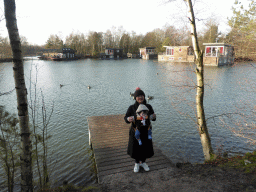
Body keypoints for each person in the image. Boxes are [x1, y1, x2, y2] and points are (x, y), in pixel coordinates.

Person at [124, 87, 156, 173]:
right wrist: (128, 119)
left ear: (144, 96)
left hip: (146, 131)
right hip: (135, 132)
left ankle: (143, 162)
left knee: (145, 147)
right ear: (135, 97)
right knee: (136, 148)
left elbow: (153, 117)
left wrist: (153, 116)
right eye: (138, 96)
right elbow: (125, 118)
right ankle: (137, 163)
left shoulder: (148, 106)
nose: (140, 97)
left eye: (141, 95)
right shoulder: (131, 108)